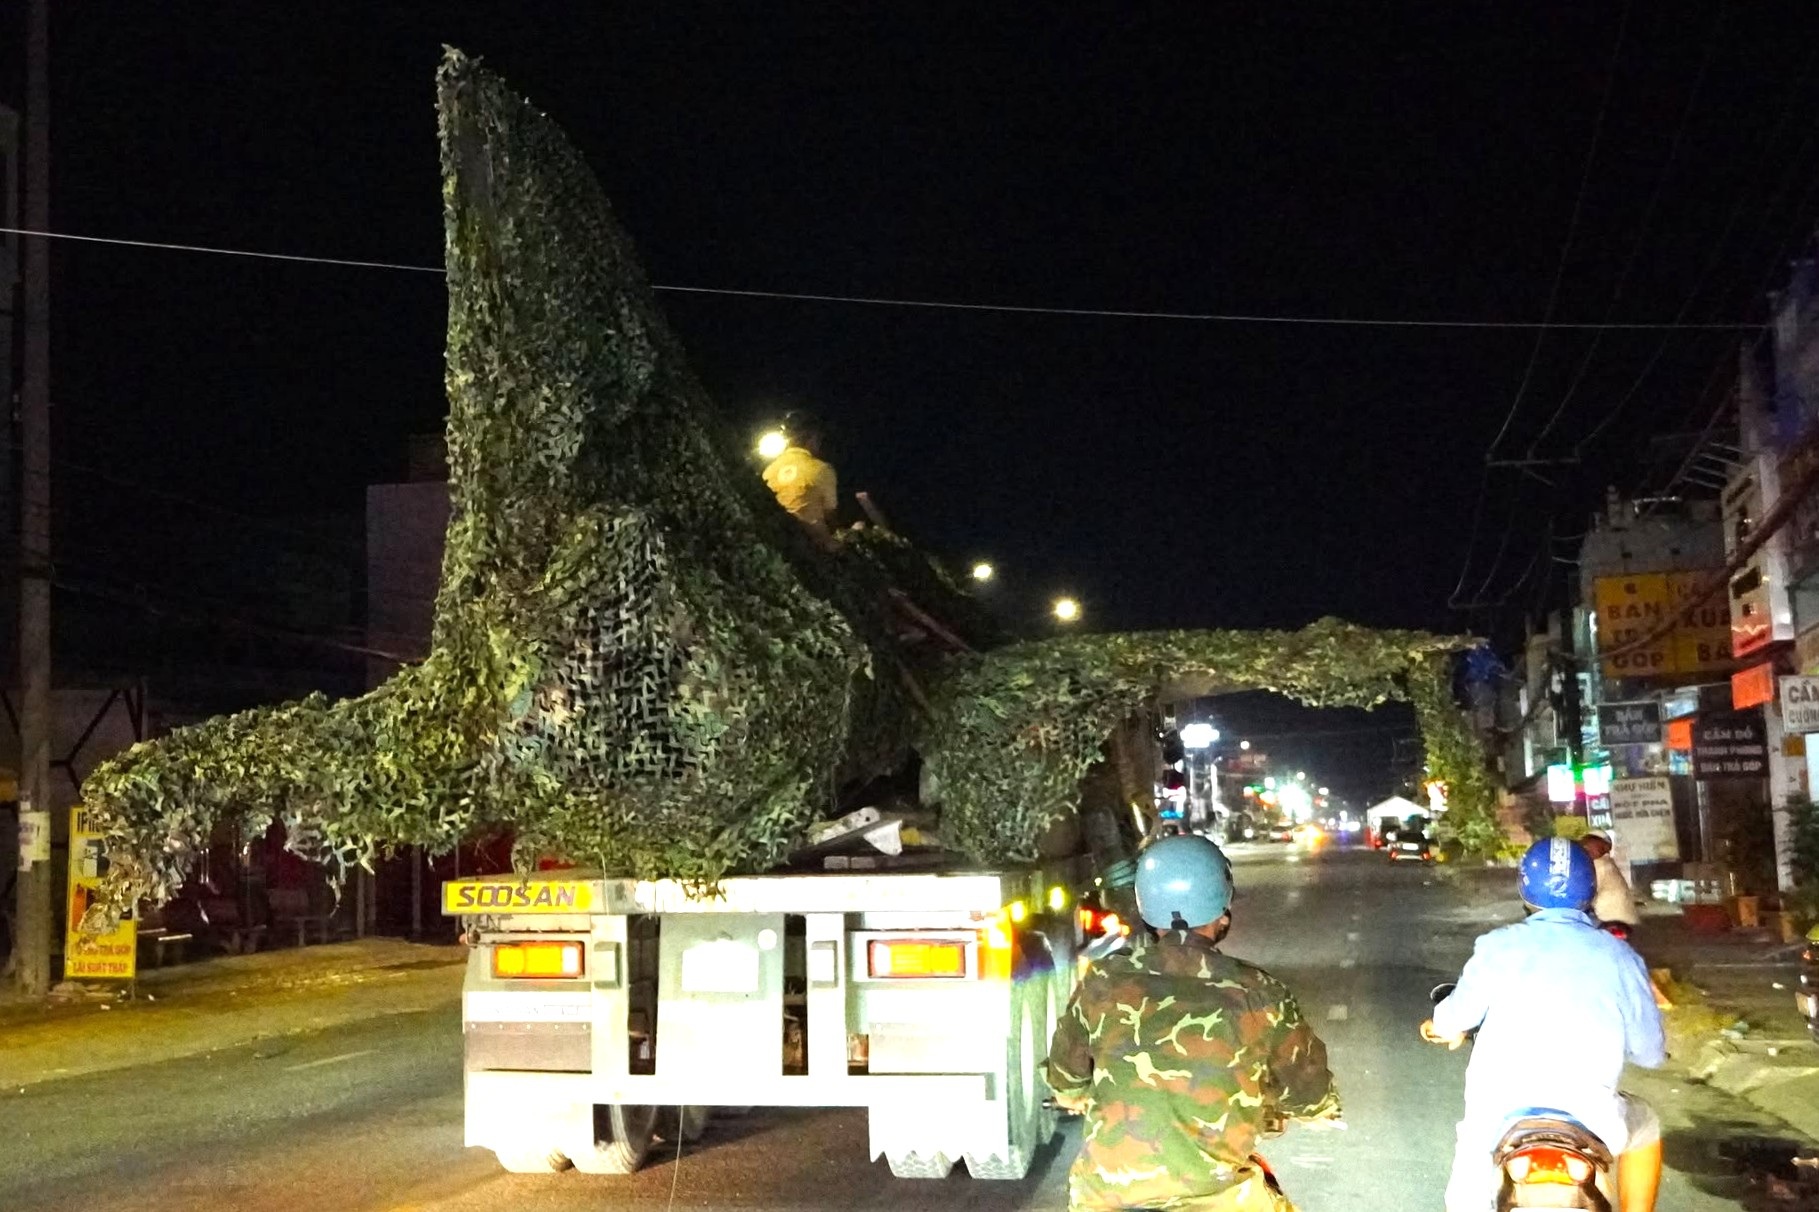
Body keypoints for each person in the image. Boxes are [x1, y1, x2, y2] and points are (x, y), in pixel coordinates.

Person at [1047, 833, 1341, 1211]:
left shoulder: (1103, 981)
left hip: (1107, 1199)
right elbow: (1309, 1093)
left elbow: (1065, 1080)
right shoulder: (1260, 993)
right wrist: (1320, 1109)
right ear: (1223, 908)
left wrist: (1072, 1096)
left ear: (1144, 904)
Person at [1423, 838, 1665, 1212]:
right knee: (1645, 1125)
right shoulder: (1620, 955)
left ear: (1523, 887)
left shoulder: (1497, 947)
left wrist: (1442, 1026)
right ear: (1591, 890)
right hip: (1592, 1125)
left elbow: (1453, 1017)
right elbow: (1650, 1054)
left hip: (1498, 1125)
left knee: (1468, 1184)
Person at [760, 423, 839, 546]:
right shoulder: (822, 469)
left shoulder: (768, 471)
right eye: (818, 440)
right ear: (811, 439)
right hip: (811, 540)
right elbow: (830, 512)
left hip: (773, 534)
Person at [1581, 830, 1641, 927]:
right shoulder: (1608, 864)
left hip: (1607, 920)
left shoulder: (1599, 865)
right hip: (1621, 921)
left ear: (1606, 847)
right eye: (1584, 845)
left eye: (1591, 844)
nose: (1586, 847)